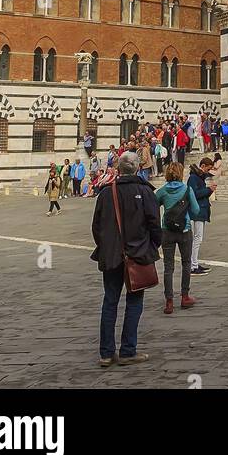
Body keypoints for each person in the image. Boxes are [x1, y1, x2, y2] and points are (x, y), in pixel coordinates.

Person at [91, 150, 161, 366]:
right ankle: (128, 351)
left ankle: (106, 353)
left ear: (119, 170)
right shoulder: (145, 191)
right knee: (134, 302)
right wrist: (150, 247)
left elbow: (96, 227)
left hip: (111, 256)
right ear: (138, 168)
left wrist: (107, 247)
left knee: (110, 301)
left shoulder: (105, 193)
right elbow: (155, 225)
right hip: (138, 256)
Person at [155, 163, 199, 313]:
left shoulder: (162, 191)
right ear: (181, 174)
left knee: (168, 266)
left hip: (167, 231)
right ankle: (185, 296)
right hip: (184, 229)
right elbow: (196, 209)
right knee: (186, 263)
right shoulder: (187, 189)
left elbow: (153, 205)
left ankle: (169, 301)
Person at [187, 159, 215, 273]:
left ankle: (194, 263)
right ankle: (193, 265)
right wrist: (208, 190)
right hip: (197, 211)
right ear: (203, 166)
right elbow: (194, 194)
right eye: (208, 168)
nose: (208, 171)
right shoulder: (194, 178)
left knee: (198, 238)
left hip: (200, 210)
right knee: (197, 238)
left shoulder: (198, 177)